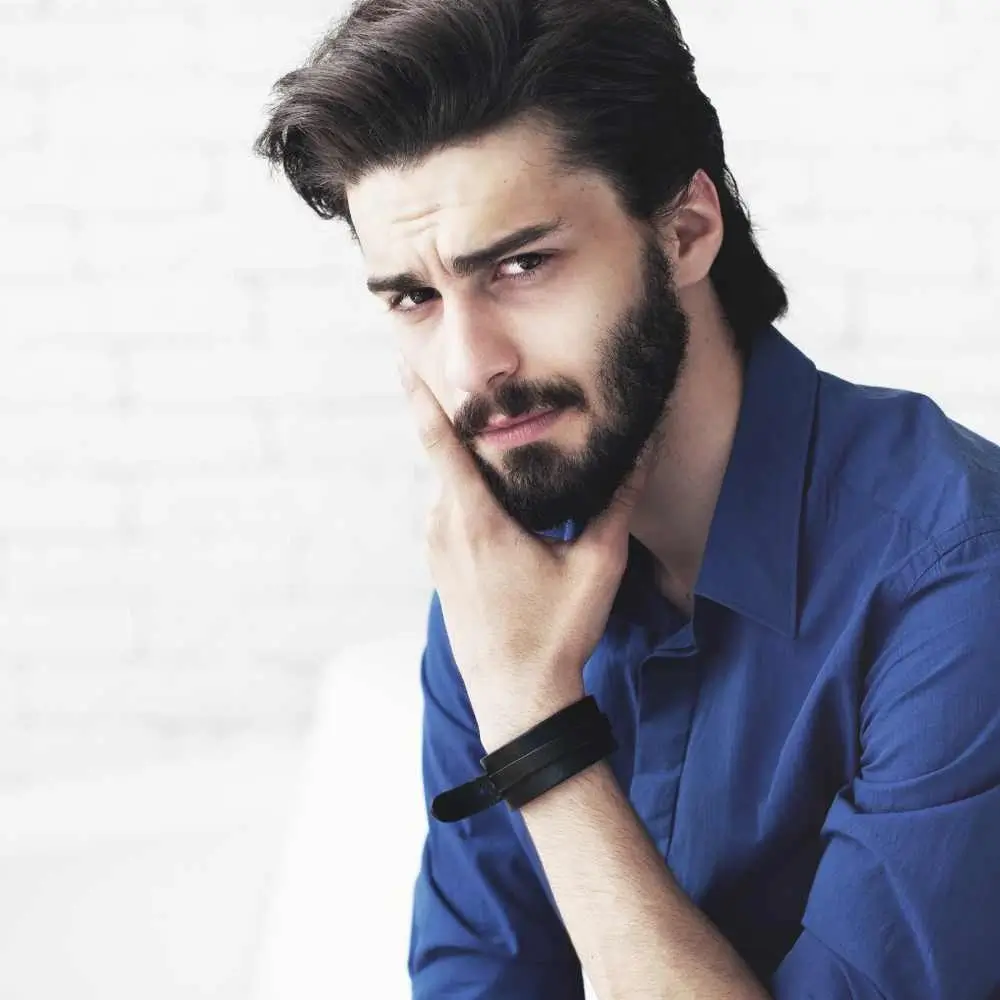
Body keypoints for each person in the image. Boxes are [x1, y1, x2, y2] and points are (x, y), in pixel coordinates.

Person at [253, 1, 1000, 997]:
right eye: (415, 299)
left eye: (520, 265)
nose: (470, 366)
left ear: (686, 231)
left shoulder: (956, 570)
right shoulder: (499, 569)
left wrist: (535, 723)